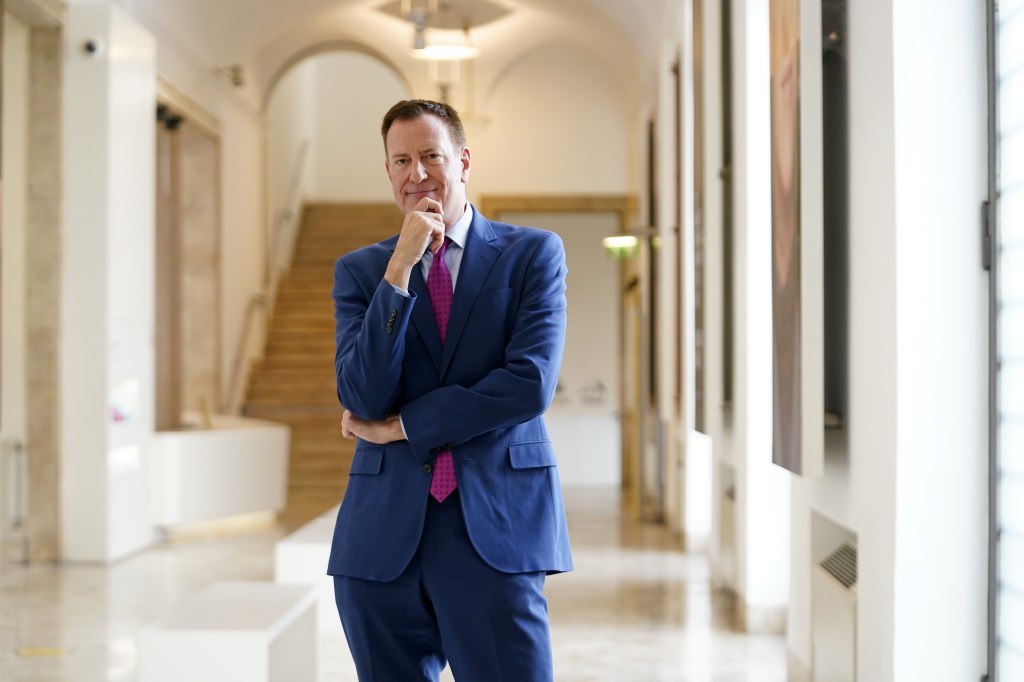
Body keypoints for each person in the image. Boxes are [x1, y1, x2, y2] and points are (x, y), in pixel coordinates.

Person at [328, 99, 573, 682]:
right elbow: (362, 394)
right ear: (387, 172)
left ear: (463, 160)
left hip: (495, 527)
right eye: (401, 160)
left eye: (431, 156)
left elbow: (529, 383)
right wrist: (400, 269)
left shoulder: (532, 254)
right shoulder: (362, 272)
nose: (417, 174)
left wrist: (407, 424)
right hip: (382, 540)